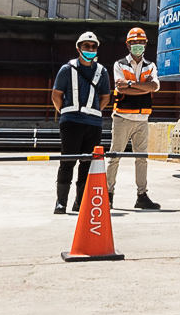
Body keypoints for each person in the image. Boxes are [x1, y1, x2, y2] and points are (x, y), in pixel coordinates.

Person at [50, 30, 109, 216]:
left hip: (93, 124)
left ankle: (80, 202)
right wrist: (67, 113)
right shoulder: (66, 69)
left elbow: (105, 97)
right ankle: (61, 203)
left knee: (87, 163)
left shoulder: (102, 71)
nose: (90, 49)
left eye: (93, 47)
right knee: (67, 162)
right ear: (78, 48)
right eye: (86, 46)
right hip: (71, 123)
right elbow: (56, 96)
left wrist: (94, 112)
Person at [110, 26, 164, 211]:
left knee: (141, 158)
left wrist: (132, 83)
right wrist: (144, 86)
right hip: (122, 117)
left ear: (146, 44)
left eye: (141, 42)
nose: (138, 45)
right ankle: (108, 194)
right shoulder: (119, 65)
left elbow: (155, 87)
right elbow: (120, 89)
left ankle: (142, 195)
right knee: (114, 156)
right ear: (128, 44)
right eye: (134, 42)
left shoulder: (151, 66)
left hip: (142, 119)